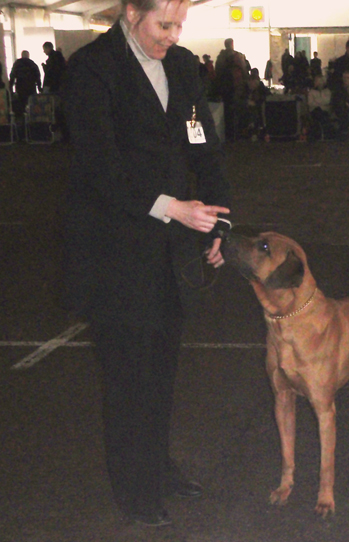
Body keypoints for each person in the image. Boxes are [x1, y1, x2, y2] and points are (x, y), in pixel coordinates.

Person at [61, 0, 231, 528]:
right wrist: (170, 207)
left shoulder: (181, 67)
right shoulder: (92, 70)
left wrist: (220, 221)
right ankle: (133, 488)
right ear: (132, 13)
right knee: (127, 379)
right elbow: (98, 166)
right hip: (116, 255)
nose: (174, 36)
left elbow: (203, 147)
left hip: (171, 254)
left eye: (181, 25)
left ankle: (157, 467)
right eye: (164, 24)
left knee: (161, 372)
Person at [215, 37, 248, 140]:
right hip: (236, 85)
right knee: (237, 109)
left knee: (226, 111)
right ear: (232, 44)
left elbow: (217, 72)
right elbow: (243, 70)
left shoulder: (220, 57)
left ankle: (227, 133)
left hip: (224, 87)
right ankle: (236, 133)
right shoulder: (237, 56)